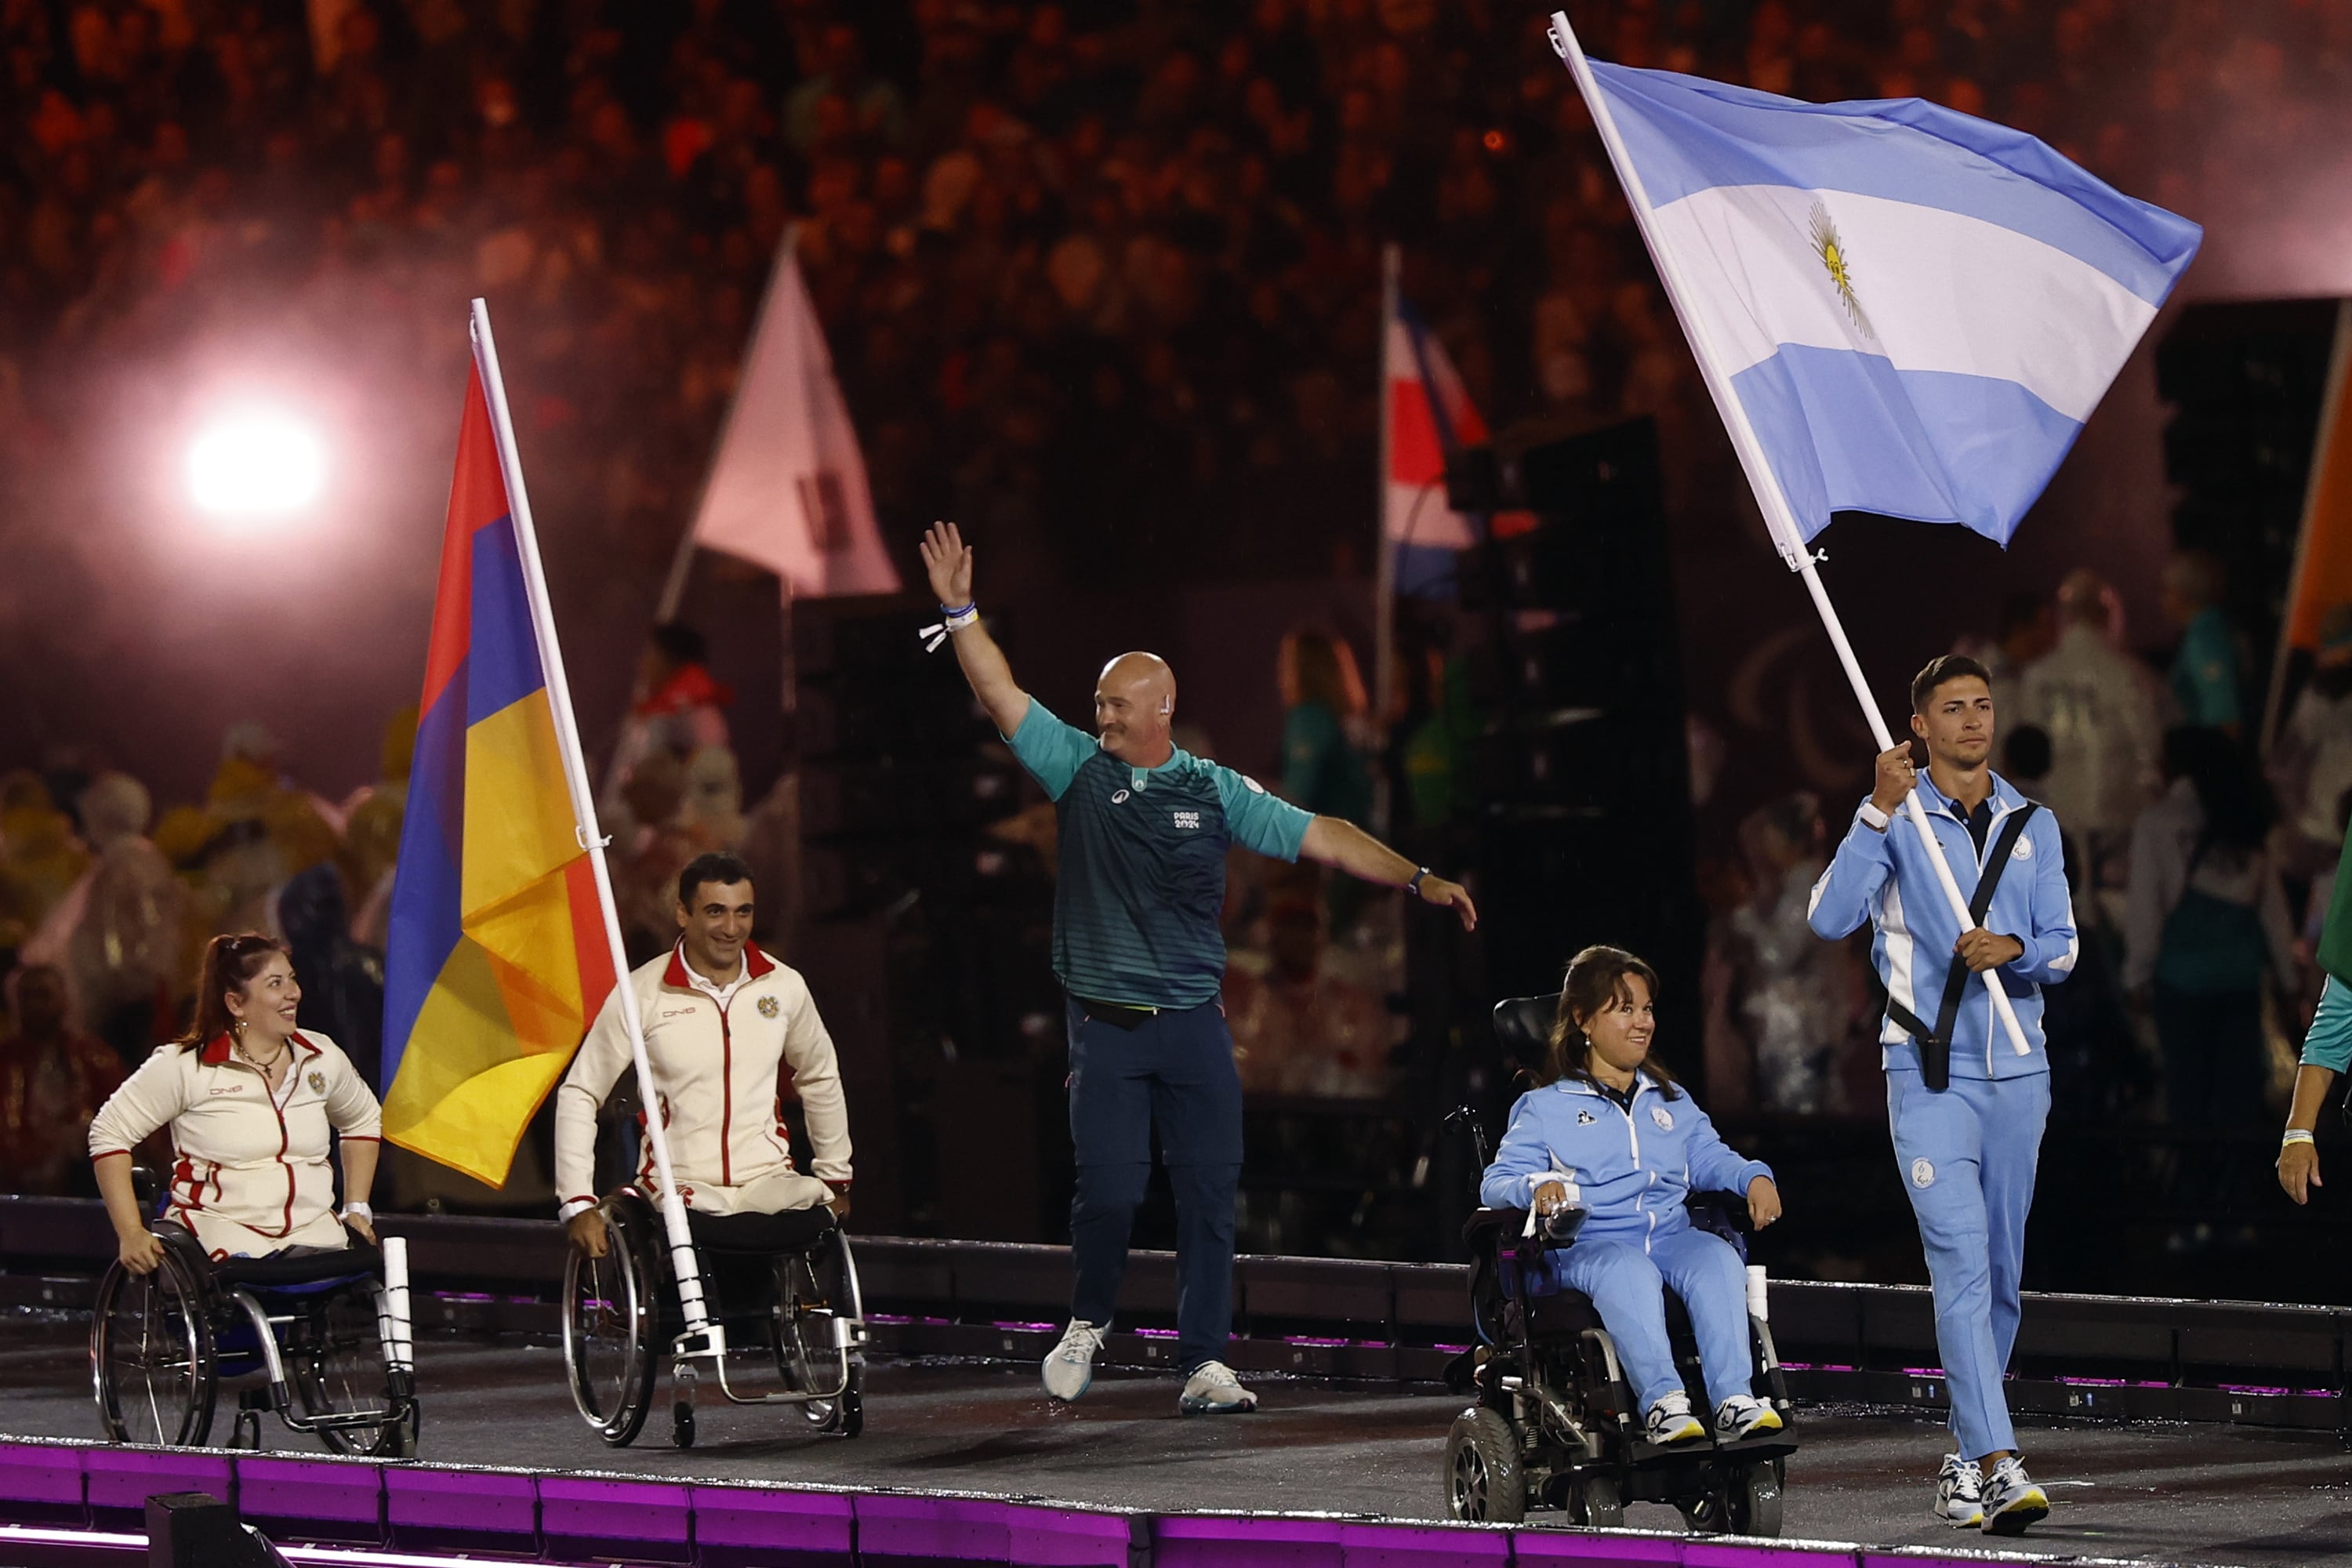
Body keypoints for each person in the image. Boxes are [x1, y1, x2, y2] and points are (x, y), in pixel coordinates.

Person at [918, 520, 1476, 1415]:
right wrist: (958, 608)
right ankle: (1088, 1320)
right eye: (1097, 704)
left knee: (1212, 1194)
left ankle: (1205, 1361)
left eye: (1114, 706)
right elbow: (998, 690)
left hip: (1192, 1026)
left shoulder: (1214, 790)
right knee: (1108, 1190)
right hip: (1105, 1025)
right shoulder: (1076, 771)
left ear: (1160, 707)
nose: (1099, 717)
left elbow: (1322, 835)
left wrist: (1417, 876)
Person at [1806, 655, 2078, 1536]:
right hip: (1928, 1074)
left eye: (1983, 705)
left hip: (2020, 1074)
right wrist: (1875, 807)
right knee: (1959, 1261)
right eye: (1953, 708)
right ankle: (2000, 1464)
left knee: (1999, 1274)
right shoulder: (1894, 820)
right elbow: (1826, 917)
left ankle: (1963, 1456)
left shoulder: (2034, 823)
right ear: (1919, 724)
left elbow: (2064, 945)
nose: (1972, 720)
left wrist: (2016, 949)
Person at [1481, 946, 1785, 1445]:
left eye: (1645, 1009)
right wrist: (1538, 1186)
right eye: (1624, 1009)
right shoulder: (1543, 1107)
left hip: (1667, 1237)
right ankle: (1663, 1404)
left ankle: (1734, 1401)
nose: (1642, 1022)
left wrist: (1754, 1178)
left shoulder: (1669, 1099)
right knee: (1628, 1269)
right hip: (1588, 1247)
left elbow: (1710, 1156)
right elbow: (1496, 1184)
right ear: (1584, 1020)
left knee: (1715, 1257)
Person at [555, 851, 851, 1256]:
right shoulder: (641, 993)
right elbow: (581, 1092)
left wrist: (836, 1178)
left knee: (811, 1212)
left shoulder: (784, 987)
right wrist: (577, 1202)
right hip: (679, 1188)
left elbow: (820, 1077)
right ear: (683, 914)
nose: (732, 928)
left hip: (768, 1182)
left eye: (742, 912)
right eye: (715, 911)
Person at [86, 934, 382, 1269]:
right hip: (220, 1240)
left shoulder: (322, 1056)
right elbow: (109, 1132)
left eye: (292, 979)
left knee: (367, 1273)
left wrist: (357, 1208)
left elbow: (363, 1119)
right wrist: (130, 1231)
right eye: (275, 984)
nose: (293, 993)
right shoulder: (185, 1066)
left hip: (316, 1238)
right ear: (236, 1003)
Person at [2124, 727, 2296, 1236]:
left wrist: (2137, 975)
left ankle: (2191, 1214)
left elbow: (2146, 910)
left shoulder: (2158, 823)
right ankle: (2238, 1213)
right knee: (2239, 1097)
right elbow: (2274, 914)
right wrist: (2289, 981)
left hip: (2182, 983)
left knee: (2188, 1098)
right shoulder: (2247, 821)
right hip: (2241, 981)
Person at [2019, 571, 2159, 892]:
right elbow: (2149, 750)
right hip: (2116, 820)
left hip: (2053, 818)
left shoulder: (2035, 677)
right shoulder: (2130, 675)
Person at [0, 964, 126, 1196]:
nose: (35, 1005)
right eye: (27, 997)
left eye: (44, 995)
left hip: (81, 1178)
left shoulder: (96, 1058)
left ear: (63, 1000)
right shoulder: (5, 1062)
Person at [2161, 551, 2244, 735]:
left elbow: (2224, 715)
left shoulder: (2205, 639)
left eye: (2167, 591)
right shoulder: (2201, 634)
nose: (2162, 600)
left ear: (2184, 594)